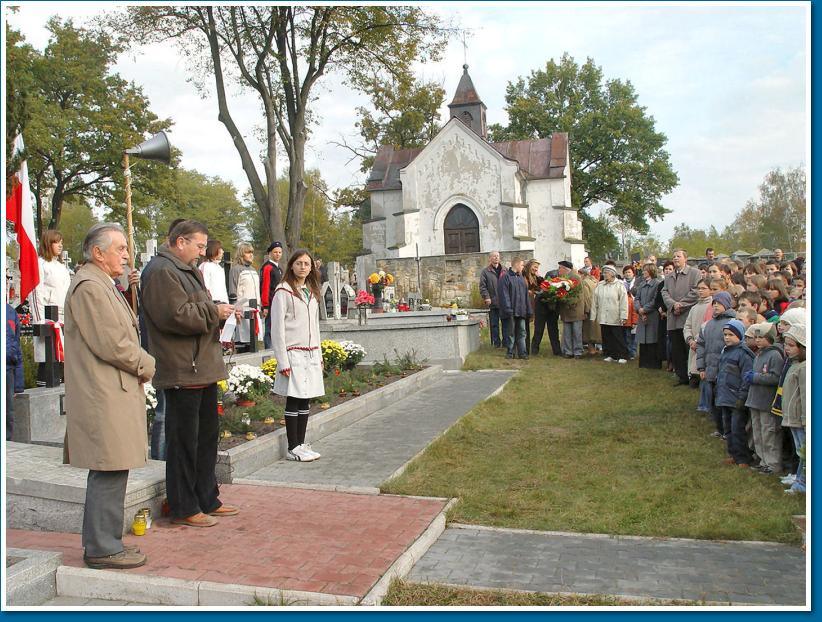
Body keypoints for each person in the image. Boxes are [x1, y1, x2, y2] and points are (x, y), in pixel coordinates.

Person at [63, 223, 156, 569]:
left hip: (112, 390)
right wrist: (147, 364)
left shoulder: (103, 284)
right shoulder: (89, 286)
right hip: (103, 393)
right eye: (119, 248)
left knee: (115, 469)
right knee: (108, 469)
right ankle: (101, 548)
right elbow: (111, 343)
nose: (126, 254)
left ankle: (108, 542)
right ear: (98, 253)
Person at [141, 220, 239, 528]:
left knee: (206, 437)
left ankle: (206, 497)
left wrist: (215, 310)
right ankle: (184, 505)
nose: (202, 252)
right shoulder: (161, 272)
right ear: (180, 242)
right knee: (184, 440)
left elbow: (195, 307)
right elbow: (174, 316)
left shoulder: (185, 269)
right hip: (183, 367)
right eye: (198, 245)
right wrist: (215, 312)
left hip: (202, 367)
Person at [270, 249, 324, 462]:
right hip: (293, 354)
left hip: (310, 353)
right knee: (294, 399)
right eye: (299, 263)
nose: (303, 267)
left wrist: (319, 355)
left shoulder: (312, 291)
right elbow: (278, 329)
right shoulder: (283, 291)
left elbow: (315, 326)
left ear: (311, 267)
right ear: (291, 265)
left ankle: (301, 443)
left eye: (307, 264)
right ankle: (292, 446)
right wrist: (282, 360)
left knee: (306, 399)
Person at [139, 218, 184, 461]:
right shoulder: (159, 270)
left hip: (173, 352)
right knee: (164, 411)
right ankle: (159, 461)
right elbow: (167, 315)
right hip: (162, 351)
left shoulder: (172, 268)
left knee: (171, 411)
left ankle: (169, 459)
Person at [744, 322, 784, 475]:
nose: (758, 340)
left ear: (770, 338)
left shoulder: (774, 355)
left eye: (761, 337)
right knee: (758, 432)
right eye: (756, 337)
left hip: (767, 402)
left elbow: (775, 377)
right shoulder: (759, 354)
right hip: (755, 400)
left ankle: (773, 463)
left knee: (769, 433)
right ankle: (762, 460)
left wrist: (756, 377)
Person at [696, 291, 737, 439]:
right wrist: (701, 367)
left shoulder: (733, 322)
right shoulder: (709, 324)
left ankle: (728, 431)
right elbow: (701, 344)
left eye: (719, 303)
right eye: (714, 303)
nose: (715, 306)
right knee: (714, 401)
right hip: (710, 369)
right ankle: (719, 428)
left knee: (724, 403)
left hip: (725, 370)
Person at [661, 249, 701, 386]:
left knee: (688, 348)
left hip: (687, 316)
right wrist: (673, 305)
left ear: (686, 258)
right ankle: (681, 376)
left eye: (678, 256)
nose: (675, 258)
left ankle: (693, 376)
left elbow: (696, 292)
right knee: (676, 349)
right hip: (673, 318)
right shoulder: (668, 276)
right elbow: (664, 292)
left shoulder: (695, 273)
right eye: (674, 256)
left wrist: (681, 305)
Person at [780, 325, 805, 494]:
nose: (787, 349)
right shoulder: (794, 364)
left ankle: (803, 483)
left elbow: (805, 396)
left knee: (805, 452)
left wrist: (805, 418)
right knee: (800, 451)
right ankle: (799, 479)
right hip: (792, 418)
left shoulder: (804, 368)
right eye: (786, 344)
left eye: (791, 345)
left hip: (800, 419)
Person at [30, 229, 72, 323]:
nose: (60, 245)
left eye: (61, 242)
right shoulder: (40, 264)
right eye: (56, 242)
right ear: (48, 243)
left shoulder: (62, 267)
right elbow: (36, 294)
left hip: (63, 316)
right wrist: (40, 322)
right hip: (47, 317)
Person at [590, 264, 628, 363]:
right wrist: (593, 316)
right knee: (606, 337)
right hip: (603, 316)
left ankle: (622, 355)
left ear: (612, 274)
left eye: (606, 273)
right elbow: (595, 301)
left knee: (617, 337)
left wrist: (623, 316)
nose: (604, 274)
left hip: (615, 316)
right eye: (604, 273)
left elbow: (624, 302)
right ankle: (611, 354)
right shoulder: (600, 285)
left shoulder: (619, 285)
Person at [229, 242, 261, 348]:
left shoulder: (253, 270)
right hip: (243, 309)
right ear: (241, 254)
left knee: (255, 341)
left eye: (252, 252)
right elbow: (233, 290)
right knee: (244, 342)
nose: (251, 255)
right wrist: (236, 309)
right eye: (248, 252)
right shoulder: (236, 269)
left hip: (255, 308)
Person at [497, 258, 530, 359]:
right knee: (510, 333)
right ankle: (510, 352)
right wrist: (508, 309)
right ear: (516, 265)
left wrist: (528, 309)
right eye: (522, 265)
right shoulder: (505, 277)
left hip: (521, 311)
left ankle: (523, 353)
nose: (523, 267)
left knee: (522, 332)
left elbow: (525, 296)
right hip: (511, 310)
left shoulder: (521, 278)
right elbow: (504, 295)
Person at [682, 279, 713, 386]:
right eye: (699, 288)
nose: (700, 291)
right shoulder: (694, 307)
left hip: (704, 343)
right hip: (693, 344)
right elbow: (687, 325)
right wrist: (690, 339)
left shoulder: (713, 306)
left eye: (704, 288)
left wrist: (697, 340)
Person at [634, 263, 664, 369]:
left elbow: (655, 300)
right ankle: (644, 362)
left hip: (652, 316)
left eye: (645, 270)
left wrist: (644, 309)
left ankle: (653, 363)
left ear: (651, 271)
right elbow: (636, 298)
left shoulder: (657, 284)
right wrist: (639, 309)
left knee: (652, 338)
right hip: (642, 316)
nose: (643, 272)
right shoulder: (642, 284)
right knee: (643, 339)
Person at [557, 261, 585, 359]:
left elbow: (579, 294)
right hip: (566, 311)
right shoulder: (561, 279)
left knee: (576, 332)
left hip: (575, 310)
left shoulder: (575, 277)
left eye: (560, 267)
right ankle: (568, 351)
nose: (558, 269)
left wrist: (567, 301)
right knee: (567, 332)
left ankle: (578, 352)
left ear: (565, 269)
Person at [260, 241, 284, 349]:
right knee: (269, 328)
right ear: (270, 253)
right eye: (275, 252)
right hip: (270, 302)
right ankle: (268, 349)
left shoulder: (279, 268)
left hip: (279, 302)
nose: (278, 254)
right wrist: (265, 305)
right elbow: (265, 286)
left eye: (280, 252)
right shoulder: (268, 267)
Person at [6, 301, 24, 440]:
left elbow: (17, 348)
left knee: (8, 415)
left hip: (8, 371)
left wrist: (18, 386)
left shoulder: (10, 312)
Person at [479, 251, 504, 348]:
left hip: (504, 302)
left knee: (505, 324)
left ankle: (506, 342)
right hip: (492, 302)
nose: (496, 258)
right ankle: (496, 343)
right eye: (494, 256)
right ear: (490, 258)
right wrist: (487, 297)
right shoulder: (485, 272)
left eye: (497, 256)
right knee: (494, 324)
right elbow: (482, 287)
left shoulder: (505, 270)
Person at [580, 267, 601, 356]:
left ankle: (591, 349)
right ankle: (594, 348)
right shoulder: (595, 281)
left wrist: (586, 310)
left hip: (589, 309)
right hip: (596, 308)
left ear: (583, 274)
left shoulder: (584, 282)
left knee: (589, 331)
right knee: (595, 331)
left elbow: (586, 297)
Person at [523, 259, 542, 355]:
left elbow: (540, 287)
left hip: (531, 303)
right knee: (524, 327)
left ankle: (527, 349)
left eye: (537, 268)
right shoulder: (524, 275)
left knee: (527, 327)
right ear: (529, 266)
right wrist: (529, 292)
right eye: (534, 267)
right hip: (525, 303)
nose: (536, 269)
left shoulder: (534, 276)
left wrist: (539, 276)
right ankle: (524, 349)